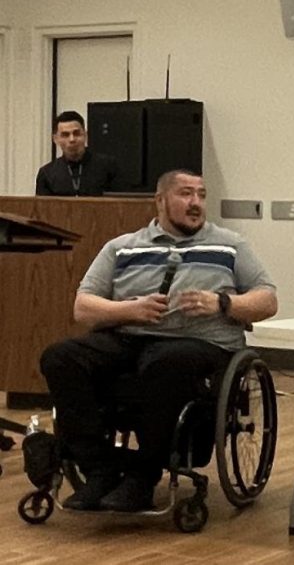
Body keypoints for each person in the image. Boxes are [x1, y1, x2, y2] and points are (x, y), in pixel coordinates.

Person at [40, 170, 278, 512]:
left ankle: (143, 475)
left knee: (167, 362)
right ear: (160, 200)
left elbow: (267, 301)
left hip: (199, 344)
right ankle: (100, 469)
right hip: (128, 337)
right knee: (60, 356)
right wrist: (129, 309)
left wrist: (223, 303)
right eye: (185, 194)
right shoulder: (122, 247)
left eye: (201, 195)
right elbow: (83, 306)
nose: (195, 203)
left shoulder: (230, 245)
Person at [35, 111, 123, 196]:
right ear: (55, 139)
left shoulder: (108, 166)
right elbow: (41, 209)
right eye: (65, 135)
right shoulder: (47, 174)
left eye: (76, 133)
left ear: (85, 135)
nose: (72, 139)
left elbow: (123, 205)